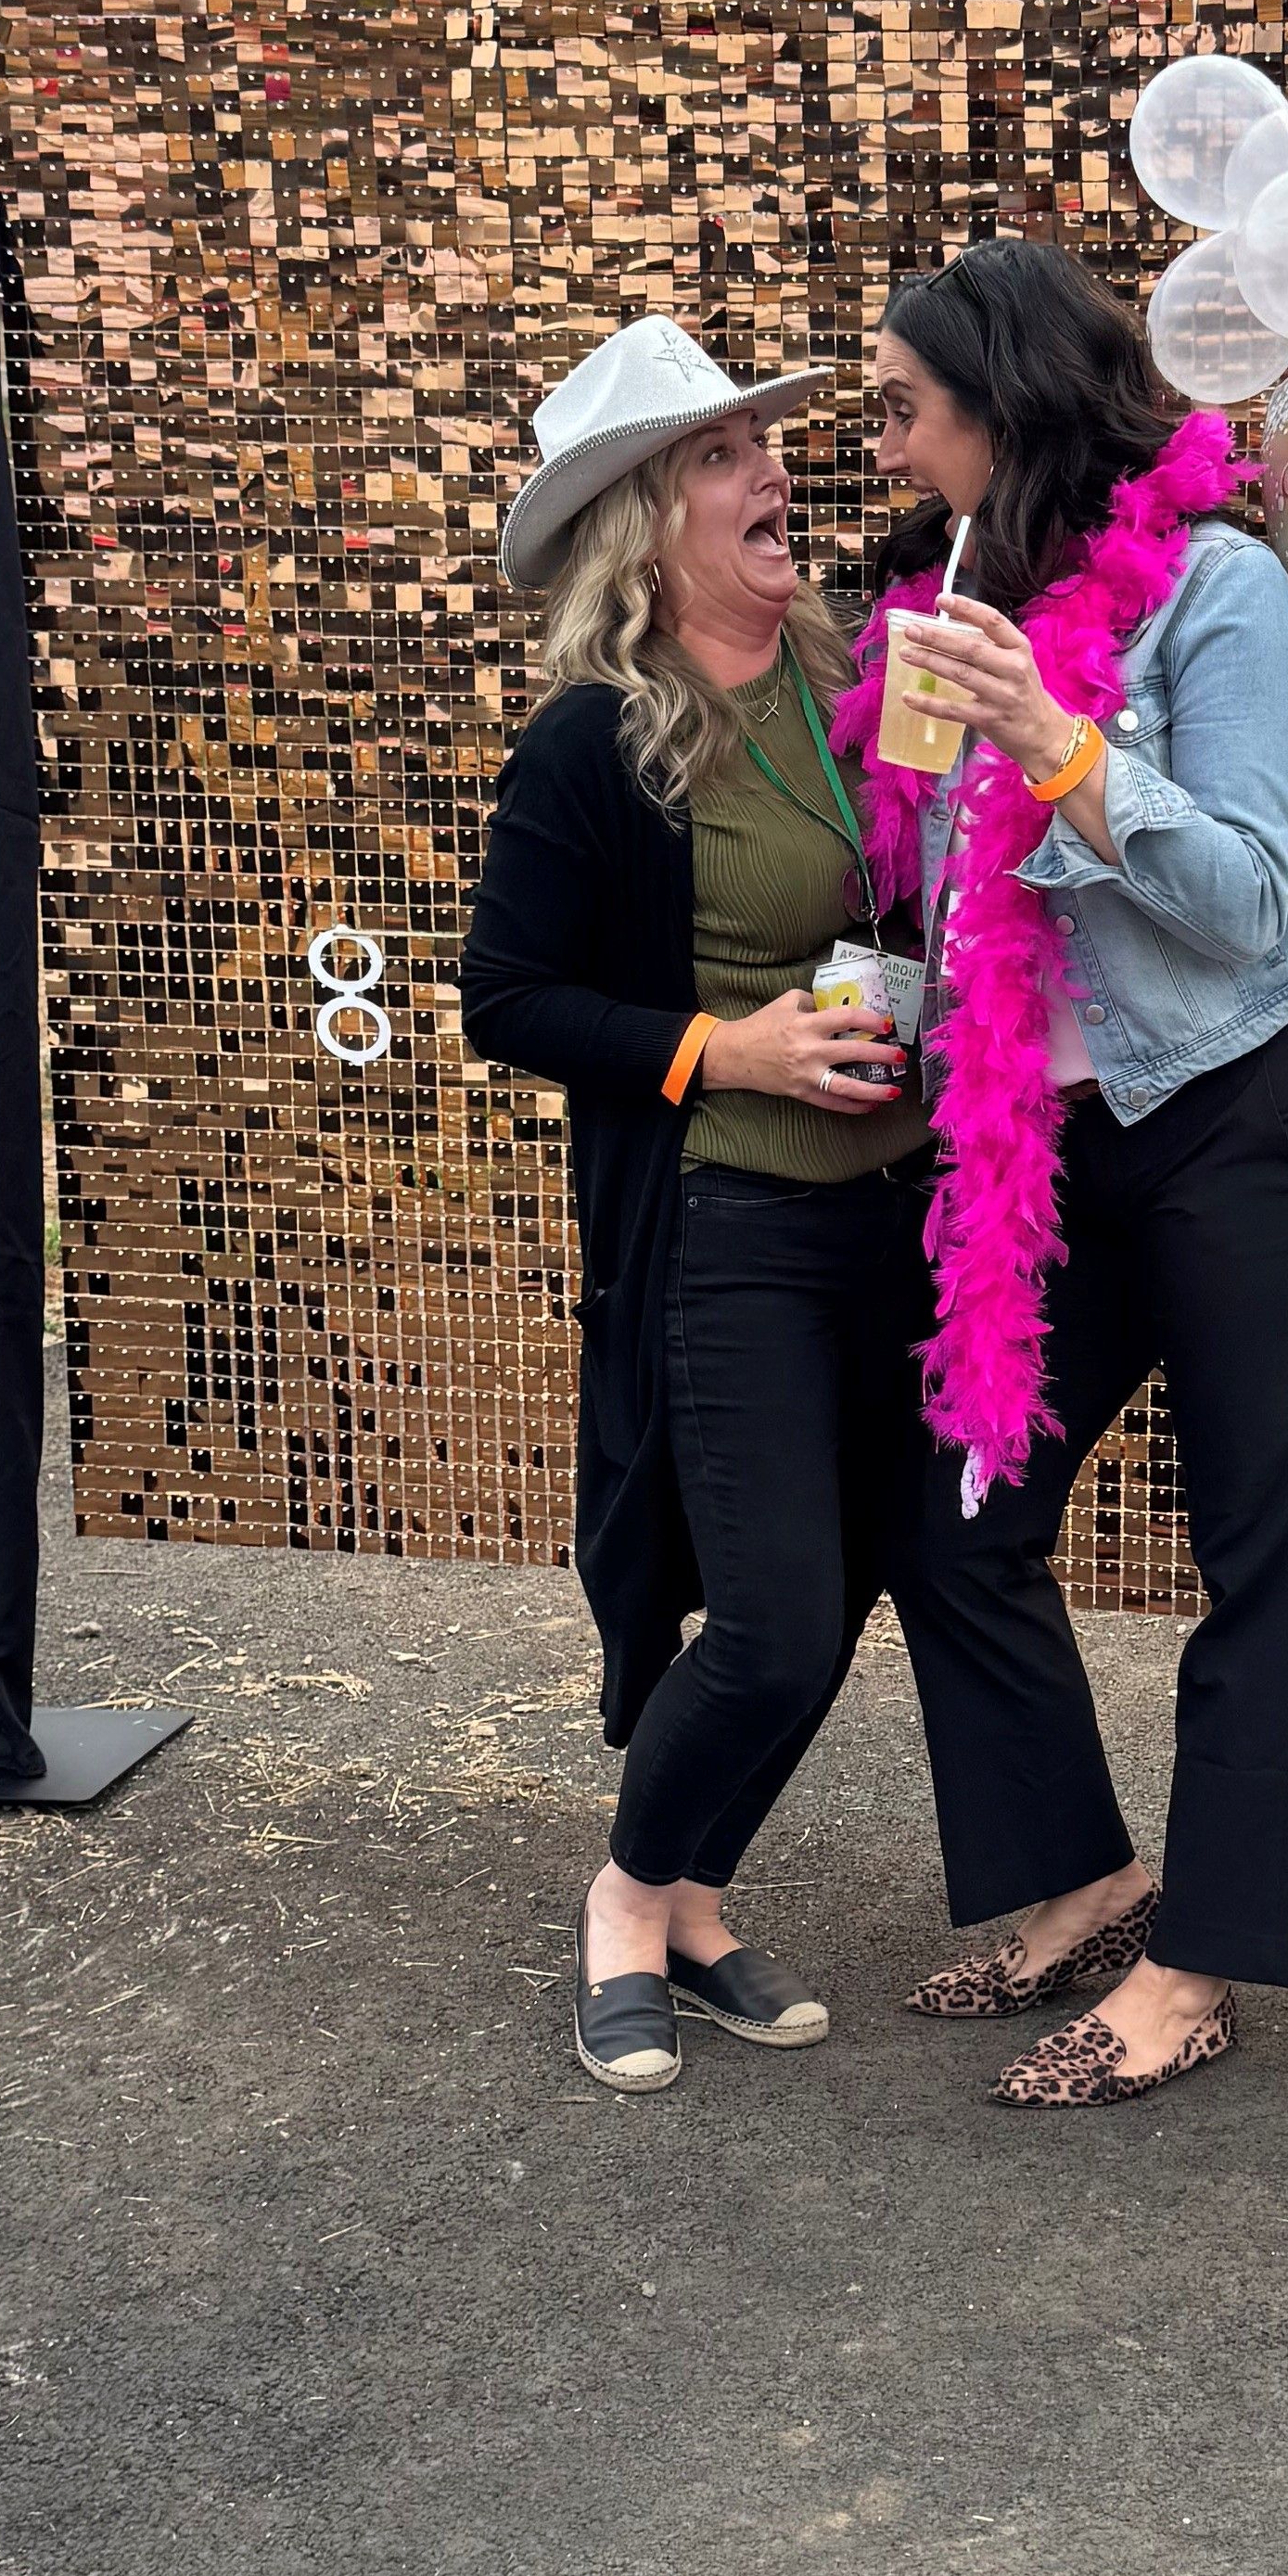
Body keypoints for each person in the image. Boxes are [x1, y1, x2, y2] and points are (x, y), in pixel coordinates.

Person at [842, 233, 1288, 2107]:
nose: (894, 448)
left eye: (912, 412)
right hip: (1052, 1143)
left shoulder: (1216, 590)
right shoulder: (954, 595)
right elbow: (930, 889)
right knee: (960, 1517)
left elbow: (1253, 898)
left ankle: (1203, 1964)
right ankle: (1084, 1882)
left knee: (1259, 1548)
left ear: (1007, 404)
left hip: (1250, 1113)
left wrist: (1063, 749)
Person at [459, 315, 928, 2092]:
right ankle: (623, 1900)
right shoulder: (598, 745)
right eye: (726, 458)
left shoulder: (850, 685)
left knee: (852, 1590)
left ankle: (703, 1899)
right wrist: (717, 1053)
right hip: (726, 1227)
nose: (773, 472)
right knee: (775, 1614)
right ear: (647, 523)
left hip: (889, 1217)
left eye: (763, 446)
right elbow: (505, 996)